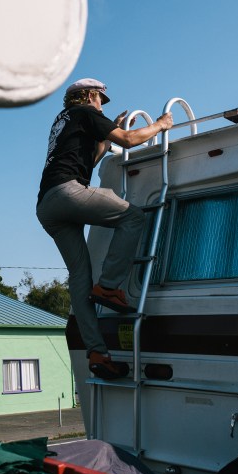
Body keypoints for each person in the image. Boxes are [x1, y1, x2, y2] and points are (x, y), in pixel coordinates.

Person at [36, 78, 173, 380]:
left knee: (80, 280)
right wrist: (161, 125)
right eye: (100, 99)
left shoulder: (63, 119)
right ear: (89, 95)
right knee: (133, 217)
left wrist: (106, 135)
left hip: (47, 205)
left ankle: (98, 353)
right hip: (68, 192)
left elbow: (92, 158)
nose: (101, 105)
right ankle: (110, 287)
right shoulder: (86, 112)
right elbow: (129, 140)